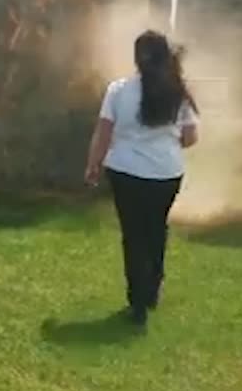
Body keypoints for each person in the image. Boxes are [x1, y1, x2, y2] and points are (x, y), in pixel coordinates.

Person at [84, 30, 199, 326]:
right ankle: (154, 284)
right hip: (166, 174)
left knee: (133, 235)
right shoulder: (177, 93)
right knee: (156, 227)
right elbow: (190, 138)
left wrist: (93, 165)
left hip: (126, 173)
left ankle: (137, 301)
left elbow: (104, 133)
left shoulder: (118, 90)